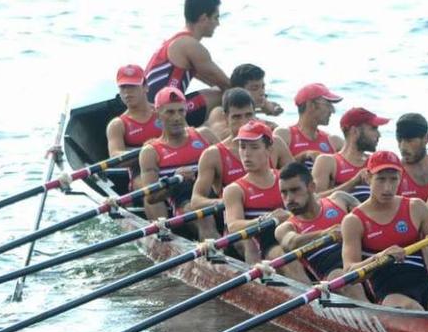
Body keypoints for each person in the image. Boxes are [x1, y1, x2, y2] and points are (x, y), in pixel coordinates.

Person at [340, 151, 428, 312]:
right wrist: (379, 257)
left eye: (393, 179)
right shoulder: (354, 220)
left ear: (401, 177)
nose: (388, 188)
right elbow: (349, 273)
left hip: (424, 282)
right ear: (369, 178)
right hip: (387, 291)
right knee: (412, 309)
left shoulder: (416, 208)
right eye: (381, 179)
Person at [189, 89, 294, 228]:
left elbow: (297, 181)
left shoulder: (275, 143)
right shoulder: (213, 154)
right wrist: (225, 200)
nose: (244, 122)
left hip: (278, 217)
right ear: (225, 118)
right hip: (238, 222)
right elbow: (196, 200)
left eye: (249, 115)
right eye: (237, 117)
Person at [274, 162, 365, 299]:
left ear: (311, 187)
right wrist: (324, 233)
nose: (289, 199)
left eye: (295, 190)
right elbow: (291, 243)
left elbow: (370, 218)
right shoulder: (286, 227)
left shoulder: (339, 199)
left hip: (364, 257)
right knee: (344, 279)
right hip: (333, 271)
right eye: (284, 193)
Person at [144, 0, 231, 127]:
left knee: (221, 94)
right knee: (224, 97)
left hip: (152, 113)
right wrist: (263, 104)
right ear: (203, 18)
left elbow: (214, 82)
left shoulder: (176, 41)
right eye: (215, 17)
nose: (218, 23)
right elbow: (229, 86)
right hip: (159, 118)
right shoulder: (190, 46)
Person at [138, 87, 219, 222]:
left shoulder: (205, 134)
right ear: (157, 113)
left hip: (215, 193)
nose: (176, 118)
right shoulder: (150, 152)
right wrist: (175, 180)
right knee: (206, 218)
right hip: (185, 202)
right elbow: (150, 197)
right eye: (170, 112)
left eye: (181, 111)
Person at [221, 120, 290, 264]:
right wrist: (266, 219)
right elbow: (233, 226)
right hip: (250, 245)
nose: (246, 154)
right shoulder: (234, 190)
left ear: (269, 149)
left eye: (254, 147)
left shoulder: (285, 180)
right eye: (242, 147)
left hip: (280, 239)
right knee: (249, 242)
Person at [105, 64, 163, 189]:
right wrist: (148, 150)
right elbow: (115, 158)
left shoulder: (163, 112)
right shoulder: (117, 125)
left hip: (174, 163)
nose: (127, 92)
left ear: (145, 87)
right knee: (151, 189)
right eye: (123, 87)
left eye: (132, 86)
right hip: (140, 172)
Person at [311, 107, 385, 202]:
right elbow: (314, 200)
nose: (379, 135)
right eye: (373, 128)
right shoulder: (328, 161)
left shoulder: (376, 162)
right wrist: (354, 182)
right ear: (355, 131)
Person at [274, 83, 344, 169]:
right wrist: (302, 157)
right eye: (328, 104)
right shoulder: (284, 135)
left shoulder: (334, 141)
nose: (332, 111)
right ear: (311, 105)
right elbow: (269, 173)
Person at [206, 64, 283, 139]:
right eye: (254, 88)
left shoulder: (260, 121)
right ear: (239, 90)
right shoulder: (219, 112)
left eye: (263, 87)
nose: (262, 92)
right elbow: (220, 134)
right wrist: (263, 128)